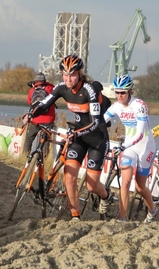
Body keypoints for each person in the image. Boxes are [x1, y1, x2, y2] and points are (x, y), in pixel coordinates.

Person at [29, 54, 113, 220]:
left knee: (91, 185)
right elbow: (44, 104)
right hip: (79, 137)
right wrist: (30, 114)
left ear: (79, 74)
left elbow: (96, 123)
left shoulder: (89, 90)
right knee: (70, 175)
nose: (68, 78)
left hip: (97, 138)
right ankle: (75, 216)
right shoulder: (61, 88)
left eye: (72, 75)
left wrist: (76, 133)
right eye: (65, 75)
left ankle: (106, 196)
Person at [104, 74, 158, 223]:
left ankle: (153, 210)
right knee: (126, 182)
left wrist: (122, 146)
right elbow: (100, 122)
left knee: (140, 187)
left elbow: (140, 134)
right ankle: (122, 218)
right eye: (117, 92)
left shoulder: (139, 105)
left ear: (130, 92)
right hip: (129, 147)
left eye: (123, 92)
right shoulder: (116, 106)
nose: (119, 95)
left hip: (146, 147)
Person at [22, 72, 56, 154]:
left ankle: (25, 156)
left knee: (29, 139)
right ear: (44, 81)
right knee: (45, 140)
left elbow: (29, 102)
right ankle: (43, 159)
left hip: (35, 120)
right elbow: (56, 89)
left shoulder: (32, 91)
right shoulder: (50, 88)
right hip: (48, 120)